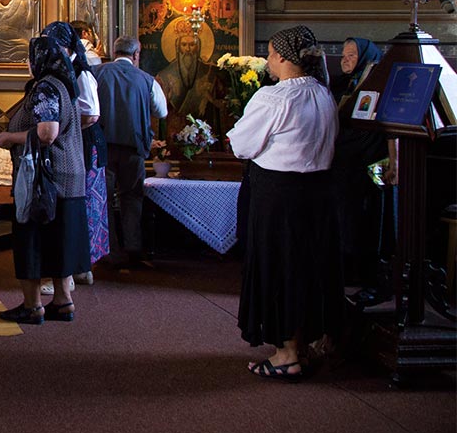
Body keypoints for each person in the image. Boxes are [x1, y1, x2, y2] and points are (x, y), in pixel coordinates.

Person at [229, 26, 339, 381]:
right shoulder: (324, 94)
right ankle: (302, 344)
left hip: (278, 197)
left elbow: (241, 146)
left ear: (281, 57)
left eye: (271, 53)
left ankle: (286, 354)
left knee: (279, 268)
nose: (268, 60)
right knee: (307, 268)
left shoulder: (273, 99)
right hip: (317, 196)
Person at [0, 33, 91, 325]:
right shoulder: (65, 85)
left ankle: (32, 305)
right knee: (60, 240)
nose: (28, 64)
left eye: (29, 58)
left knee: (32, 239)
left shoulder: (46, 88)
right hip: (69, 177)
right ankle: (63, 301)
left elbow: (46, 133)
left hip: (45, 178)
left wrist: (9, 137)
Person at [93, 36, 169, 266]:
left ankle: (107, 250)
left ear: (114, 52)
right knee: (132, 198)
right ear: (136, 55)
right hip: (133, 150)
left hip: (103, 149)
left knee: (103, 199)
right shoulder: (147, 80)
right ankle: (133, 248)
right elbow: (162, 112)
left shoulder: (96, 74)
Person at [330, 37, 392, 304]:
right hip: (340, 167)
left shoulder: (379, 87)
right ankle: (348, 272)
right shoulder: (339, 84)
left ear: (367, 57)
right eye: (344, 54)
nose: (345, 59)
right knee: (343, 222)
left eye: (352, 55)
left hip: (367, 166)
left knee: (367, 223)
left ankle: (374, 280)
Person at [45, 22, 110, 279]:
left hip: (86, 144)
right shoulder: (62, 70)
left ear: (67, 46)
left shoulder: (81, 72)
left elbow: (92, 113)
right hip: (74, 142)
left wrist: (65, 126)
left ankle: (81, 266)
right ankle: (77, 266)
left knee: (83, 205)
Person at [155, 28, 223, 142]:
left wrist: (208, 96)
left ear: (198, 47)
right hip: (174, 130)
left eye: (192, 45)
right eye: (184, 45)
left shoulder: (209, 72)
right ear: (178, 47)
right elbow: (157, 107)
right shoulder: (164, 75)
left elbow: (221, 102)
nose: (187, 49)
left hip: (204, 127)